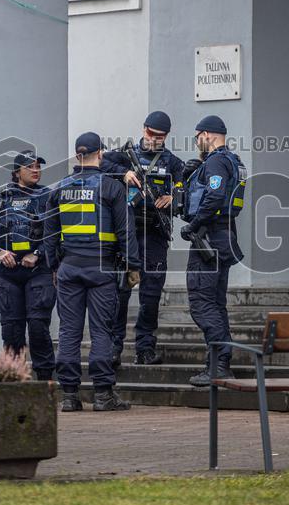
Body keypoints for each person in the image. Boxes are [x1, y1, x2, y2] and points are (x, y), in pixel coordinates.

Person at [43, 132, 141, 411]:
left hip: (68, 268)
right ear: (101, 155)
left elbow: (49, 234)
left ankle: (70, 396)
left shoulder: (58, 189)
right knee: (101, 331)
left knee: (69, 332)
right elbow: (126, 231)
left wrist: (54, 266)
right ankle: (103, 395)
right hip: (102, 270)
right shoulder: (111, 188)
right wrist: (133, 265)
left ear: (77, 156)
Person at [101, 111, 185, 367]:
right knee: (120, 292)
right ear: (143, 129)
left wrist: (174, 199)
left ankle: (145, 348)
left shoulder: (173, 163)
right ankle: (113, 348)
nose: (154, 140)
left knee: (151, 295)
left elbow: (184, 192)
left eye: (160, 137)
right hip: (126, 234)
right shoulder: (124, 155)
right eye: (151, 134)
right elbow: (100, 163)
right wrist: (123, 173)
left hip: (154, 234)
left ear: (166, 137)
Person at [179, 115, 247, 387]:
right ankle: (216, 363)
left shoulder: (217, 161)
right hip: (223, 235)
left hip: (210, 238)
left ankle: (219, 365)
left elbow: (215, 195)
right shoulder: (232, 160)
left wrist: (195, 224)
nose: (198, 142)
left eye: (198, 137)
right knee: (215, 304)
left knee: (202, 303)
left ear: (207, 134)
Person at [0, 150, 56, 381]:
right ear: (17, 172)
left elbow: (57, 234)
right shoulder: (2, 200)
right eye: (30, 167)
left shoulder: (48, 197)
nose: (36, 170)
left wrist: (38, 254)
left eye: (38, 166)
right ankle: (14, 380)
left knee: (38, 327)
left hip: (38, 272)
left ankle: (45, 382)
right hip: (9, 275)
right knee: (11, 332)